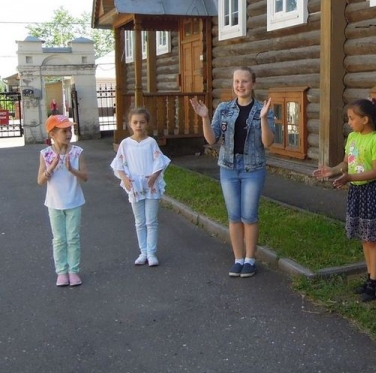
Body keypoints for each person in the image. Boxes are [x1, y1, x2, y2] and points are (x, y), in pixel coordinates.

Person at [190, 67, 275, 278]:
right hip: (228, 167)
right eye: (237, 81)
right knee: (234, 216)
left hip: (252, 168)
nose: (240, 85)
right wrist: (204, 118)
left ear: (253, 84)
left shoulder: (263, 109)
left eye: (244, 81)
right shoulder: (224, 109)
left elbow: (268, 142)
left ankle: (250, 259)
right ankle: (238, 259)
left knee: (249, 216)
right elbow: (211, 140)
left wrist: (263, 119)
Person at [312, 98, 376, 302]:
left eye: (352, 118)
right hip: (357, 193)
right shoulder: (353, 138)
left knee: (373, 239)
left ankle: (375, 283)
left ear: (365, 119)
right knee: (365, 238)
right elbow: (347, 164)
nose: (349, 122)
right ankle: (369, 278)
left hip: (372, 193)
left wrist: (349, 178)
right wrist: (332, 171)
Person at [111, 108, 171, 267]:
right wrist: (124, 178)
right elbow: (119, 164)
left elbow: (160, 161)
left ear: (147, 124)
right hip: (135, 186)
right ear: (130, 124)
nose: (138, 125)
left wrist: (154, 176)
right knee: (139, 221)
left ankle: (151, 253)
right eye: (135, 122)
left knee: (151, 221)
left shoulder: (151, 142)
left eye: (142, 122)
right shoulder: (125, 144)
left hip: (150, 185)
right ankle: (143, 252)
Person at [37, 115, 88, 287]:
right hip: (54, 203)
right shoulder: (45, 154)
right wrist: (50, 168)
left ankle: (73, 271)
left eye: (70, 130)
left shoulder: (77, 152)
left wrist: (71, 169)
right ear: (52, 134)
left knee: (73, 238)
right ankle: (61, 272)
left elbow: (85, 177)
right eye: (64, 131)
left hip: (74, 201)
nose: (68, 134)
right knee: (59, 239)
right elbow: (40, 181)